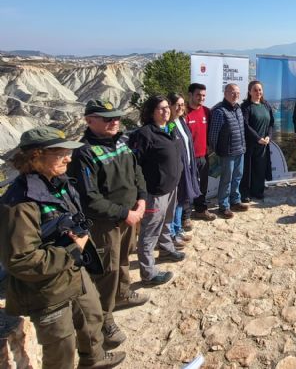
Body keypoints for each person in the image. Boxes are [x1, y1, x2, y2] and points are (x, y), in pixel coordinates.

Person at [0, 126, 126, 369]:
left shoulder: (57, 183)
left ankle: (94, 359)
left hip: (74, 272)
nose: (69, 158)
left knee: (92, 317)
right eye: (60, 153)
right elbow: (21, 260)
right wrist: (72, 249)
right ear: (35, 157)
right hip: (47, 290)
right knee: (62, 349)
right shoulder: (19, 204)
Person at [67, 99, 150, 350]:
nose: (114, 121)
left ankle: (123, 293)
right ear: (89, 120)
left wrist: (142, 200)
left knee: (124, 258)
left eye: (116, 117)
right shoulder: (84, 153)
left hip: (130, 215)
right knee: (106, 271)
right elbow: (89, 199)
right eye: (107, 118)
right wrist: (126, 213)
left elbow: (137, 172)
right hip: (105, 224)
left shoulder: (122, 142)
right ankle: (105, 319)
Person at [128, 95, 185, 286]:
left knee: (167, 222)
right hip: (154, 192)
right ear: (151, 112)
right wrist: (140, 194)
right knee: (149, 232)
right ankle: (149, 272)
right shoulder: (144, 134)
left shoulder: (170, 128)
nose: (166, 111)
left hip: (171, 188)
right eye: (160, 108)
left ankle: (167, 249)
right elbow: (135, 165)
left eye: (167, 107)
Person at [209, 83, 250, 219]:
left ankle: (235, 201)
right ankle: (223, 206)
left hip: (240, 150)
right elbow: (213, 135)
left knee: (237, 177)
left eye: (238, 93)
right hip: (227, 153)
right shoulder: (219, 111)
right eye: (232, 92)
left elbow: (241, 130)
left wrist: (243, 146)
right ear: (225, 93)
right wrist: (217, 150)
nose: (236, 95)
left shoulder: (238, 109)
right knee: (226, 179)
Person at [167, 93, 200, 247]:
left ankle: (178, 229)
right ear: (170, 106)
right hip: (176, 170)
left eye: (182, 104)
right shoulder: (169, 125)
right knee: (175, 202)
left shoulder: (181, 121)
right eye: (177, 105)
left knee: (181, 200)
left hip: (186, 166)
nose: (180, 107)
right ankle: (172, 234)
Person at [184, 83, 215, 223]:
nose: (201, 98)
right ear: (190, 95)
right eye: (198, 95)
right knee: (185, 187)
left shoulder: (207, 112)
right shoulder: (183, 113)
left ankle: (201, 210)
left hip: (203, 156)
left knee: (202, 185)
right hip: (187, 159)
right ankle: (184, 217)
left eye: (203, 95)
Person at [240, 80, 274, 202]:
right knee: (248, 169)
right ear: (249, 92)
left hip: (264, 144)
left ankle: (258, 191)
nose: (258, 92)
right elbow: (245, 125)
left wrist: (269, 136)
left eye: (260, 89)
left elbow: (271, 123)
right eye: (255, 90)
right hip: (250, 144)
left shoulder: (266, 105)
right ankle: (245, 193)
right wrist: (257, 138)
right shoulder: (245, 107)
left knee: (260, 168)